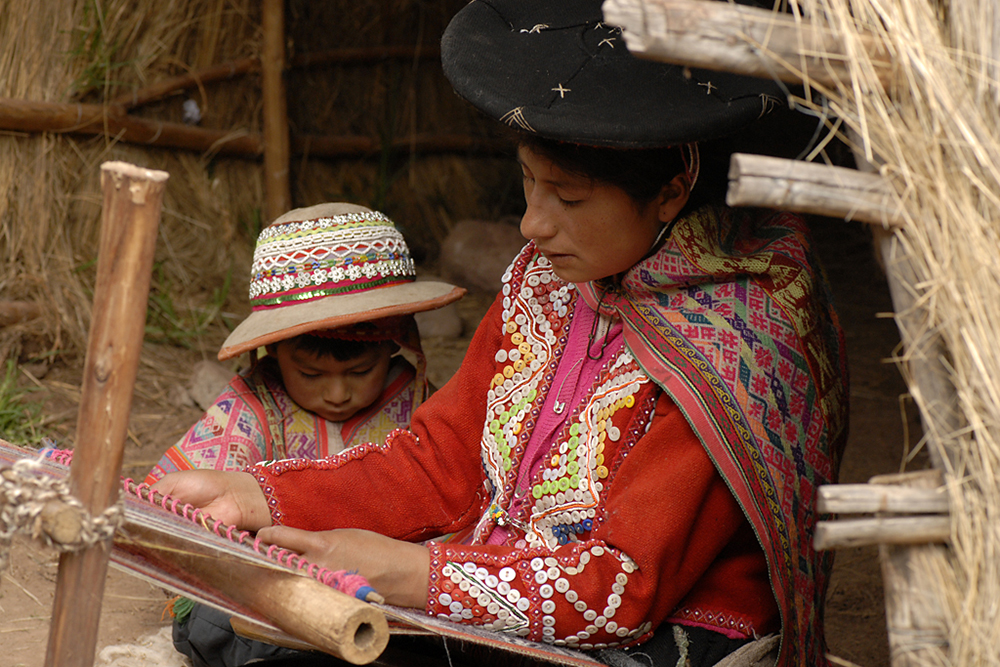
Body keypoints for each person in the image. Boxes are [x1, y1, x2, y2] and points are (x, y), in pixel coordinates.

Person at [154, 2, 848, 666]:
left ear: (670, 191)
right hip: (500, 576)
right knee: (230, 616)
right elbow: (439, 464)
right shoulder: (545, 281)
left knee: (293, 639)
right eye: (527, 183)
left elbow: (620, 587)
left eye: (568, 198)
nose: (532, 225)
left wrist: (405, 574)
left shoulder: (737, 336)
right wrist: (257, 495)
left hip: (647, 639)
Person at [145, 201, 465, 483]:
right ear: (272, 348)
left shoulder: (416, 404)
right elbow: (187, 495)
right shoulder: (254, 405)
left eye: (361, 371)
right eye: (310, 375)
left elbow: (458, 481)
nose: (337, 395)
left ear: (396, 341)